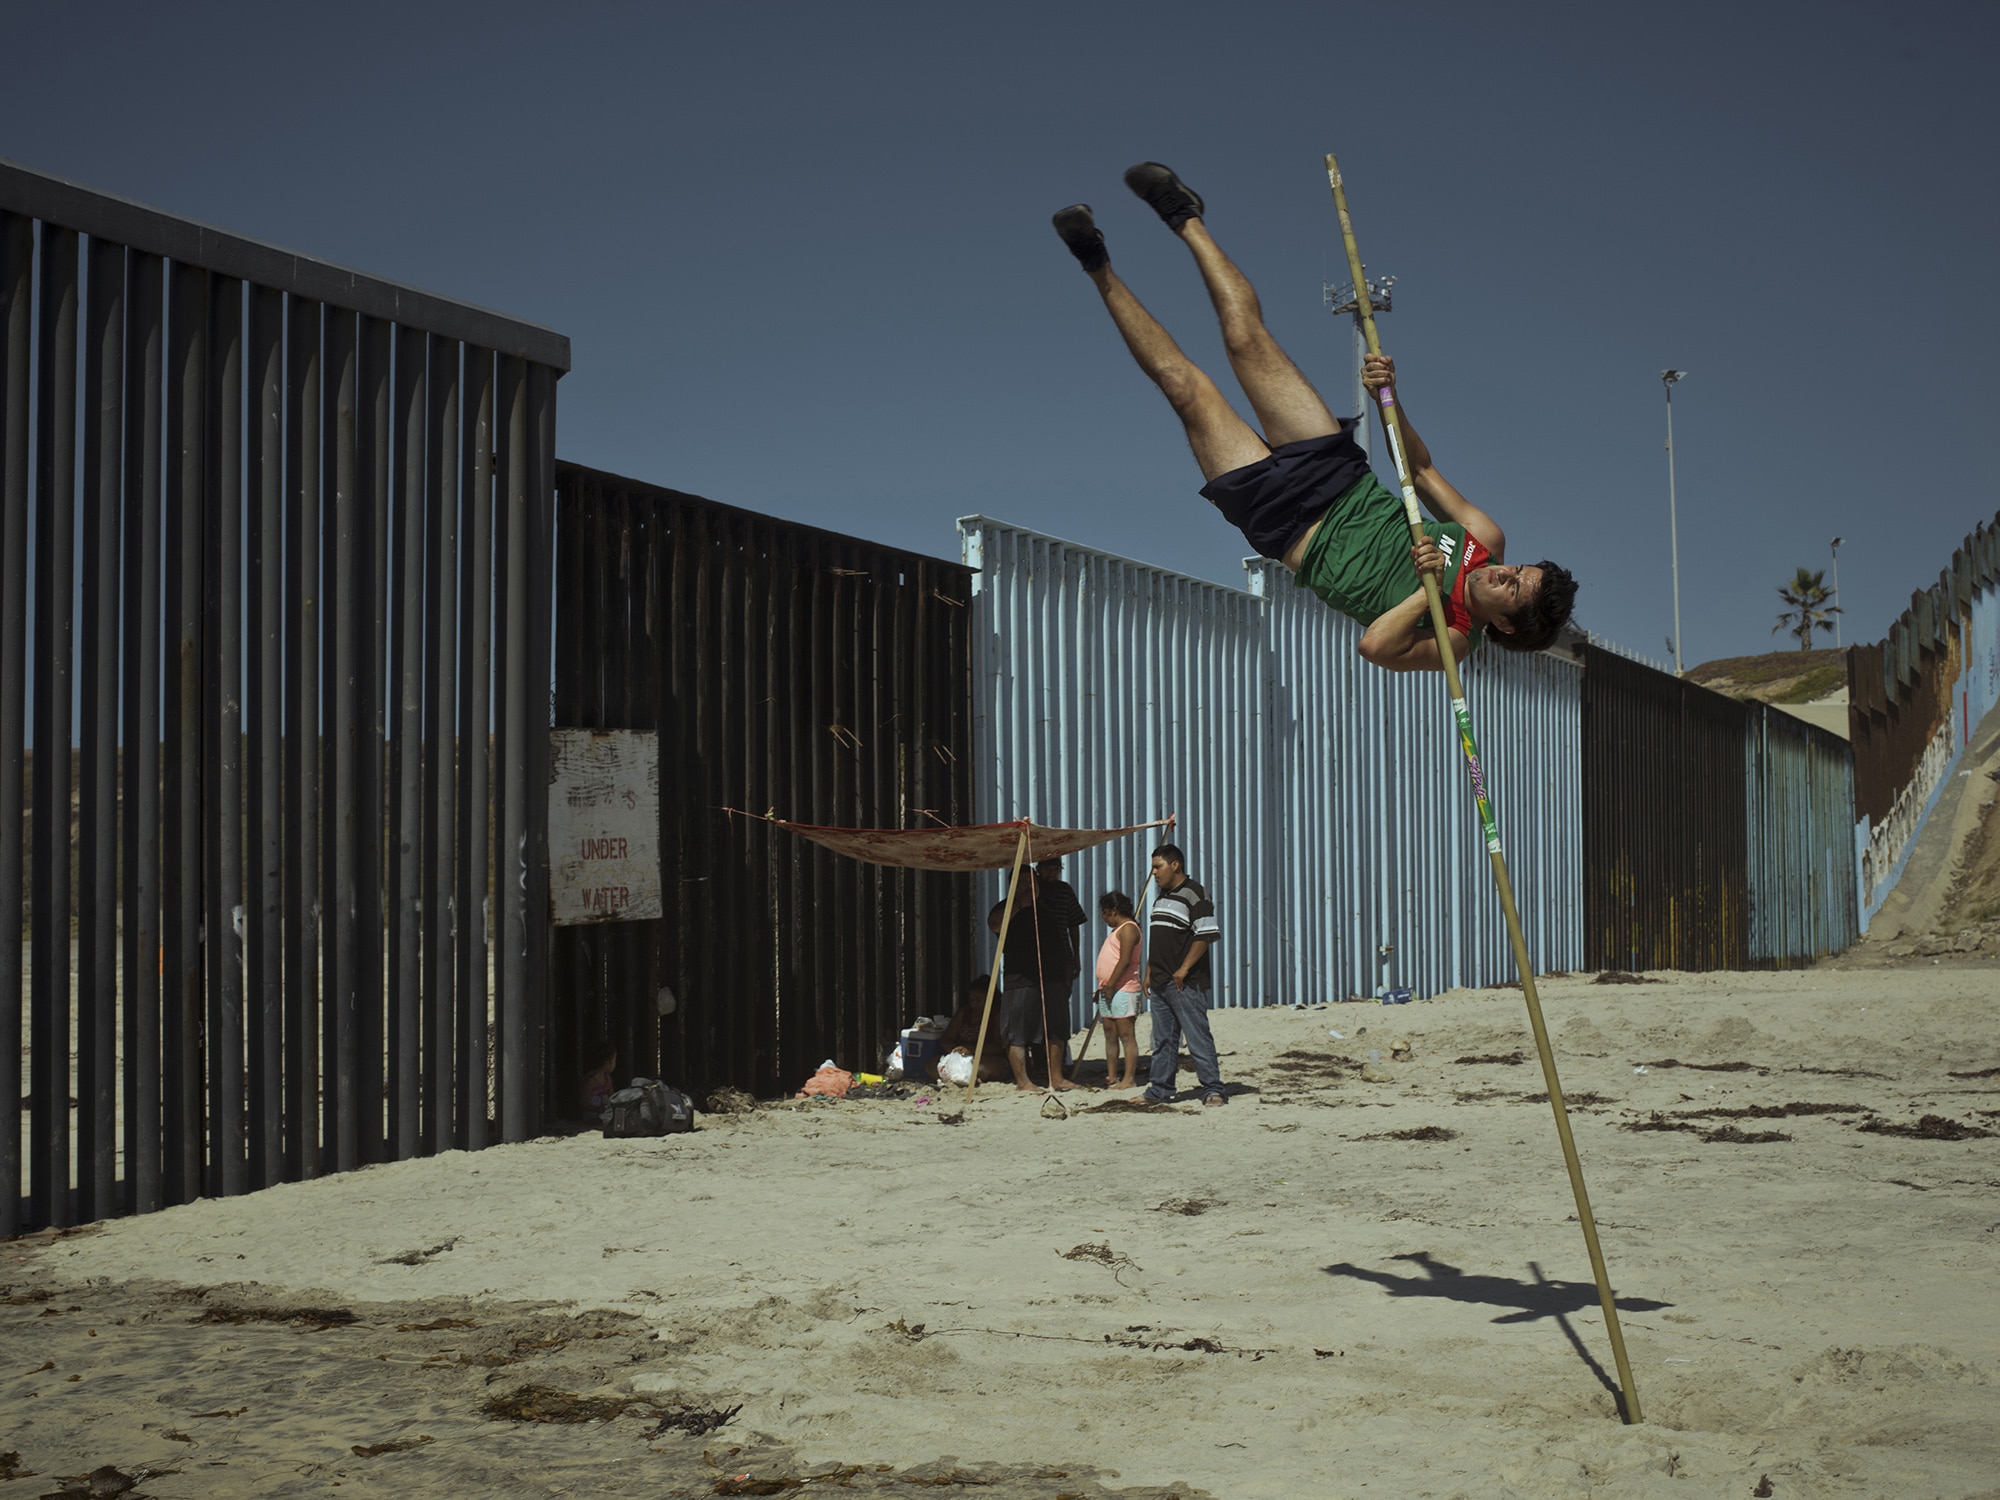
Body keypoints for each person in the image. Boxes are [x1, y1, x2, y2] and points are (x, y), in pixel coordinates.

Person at [1050, 163, 1577, 672]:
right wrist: (1388, 398)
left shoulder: (1456, 639)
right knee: (1244, 338)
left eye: (1512, 589)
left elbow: (1375, 647)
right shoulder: (1484, 540)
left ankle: (1095, 262)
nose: (1504, 573)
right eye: (1517, 570)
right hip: (1337, 474)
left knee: (1184, 388)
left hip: (1281, 523)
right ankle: (1184, 216)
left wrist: (1429, 593)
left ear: (1504, 625)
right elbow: (1418, 470)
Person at [1140, 844, 1227, 1106]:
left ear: (1175, 865)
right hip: (1159, 982)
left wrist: (1184, 968)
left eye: (1158, 867)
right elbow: (1159, 938)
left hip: (1184, 983)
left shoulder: (1196, 894)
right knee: (1163, 1040)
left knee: (1197, 1036)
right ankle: (1160, 1090)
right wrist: (1148, 972)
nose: (1154, 873)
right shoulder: (1161, 897)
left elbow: (1205, 934)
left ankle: (1213, 1089)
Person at [989, 871, 1081, 1092]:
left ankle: (1056, 1077)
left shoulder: (1045, 908)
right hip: (1021, 979)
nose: (1028, 886)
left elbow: (1061, 939)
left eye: (1031, 881)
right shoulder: (1006, 908)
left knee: (1056, 1030)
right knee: (1017, 1032)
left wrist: (1067, 971)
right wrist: (1019, 903)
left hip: (1053, 978)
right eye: (1021, 882)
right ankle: (1023, 1081)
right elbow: (996, 925)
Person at [1032, 856, 1090, 1080]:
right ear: (1039, 869)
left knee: (1058, 1014)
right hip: (1035, 959)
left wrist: (1075, 958)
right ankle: (1040, 1064)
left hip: (1061, 959)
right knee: (1036, 1014)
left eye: (1056, 868)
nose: (1052, 873)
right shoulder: (1031, 889)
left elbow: (1073, 925)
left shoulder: (1064, 891)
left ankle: (1060, 1063)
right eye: (1048, 868)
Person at [1092, 890, 1144, 1090]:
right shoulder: (1116, 931)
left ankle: (1129, 1078)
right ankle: (1112, 1075)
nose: (1104, 918)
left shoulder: (1129, 929)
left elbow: (1124, 961)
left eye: (1105, 913)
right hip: (1108, 989)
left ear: (1114, 911)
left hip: (1123, 988)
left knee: (1126, 1034)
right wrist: (1105, 986)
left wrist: (1111, 984)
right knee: (1109, 1032)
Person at [932, 974, 1011, 1085]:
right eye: (972, 1000)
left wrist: (972, 1049)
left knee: (982, 1067)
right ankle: (962, 1078)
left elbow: (999, 1046)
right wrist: (955, 1049)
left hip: (988, 1057)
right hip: (962, 1057)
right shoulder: (964, 1013)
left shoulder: (997, 1014)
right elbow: (946, 1039)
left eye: (978, 1001)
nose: (974, 1004)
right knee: (932, 1063)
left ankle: (962, 1077)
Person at [579, 1041, 618, 1125]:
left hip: (603, 1111)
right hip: (592, 1112)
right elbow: (583, 1101)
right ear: (607, 1063)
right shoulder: (592, 1080)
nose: (615, 1063)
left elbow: (612, 1097)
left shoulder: (607, 1078)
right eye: (614, 1060)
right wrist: (597, 1109)